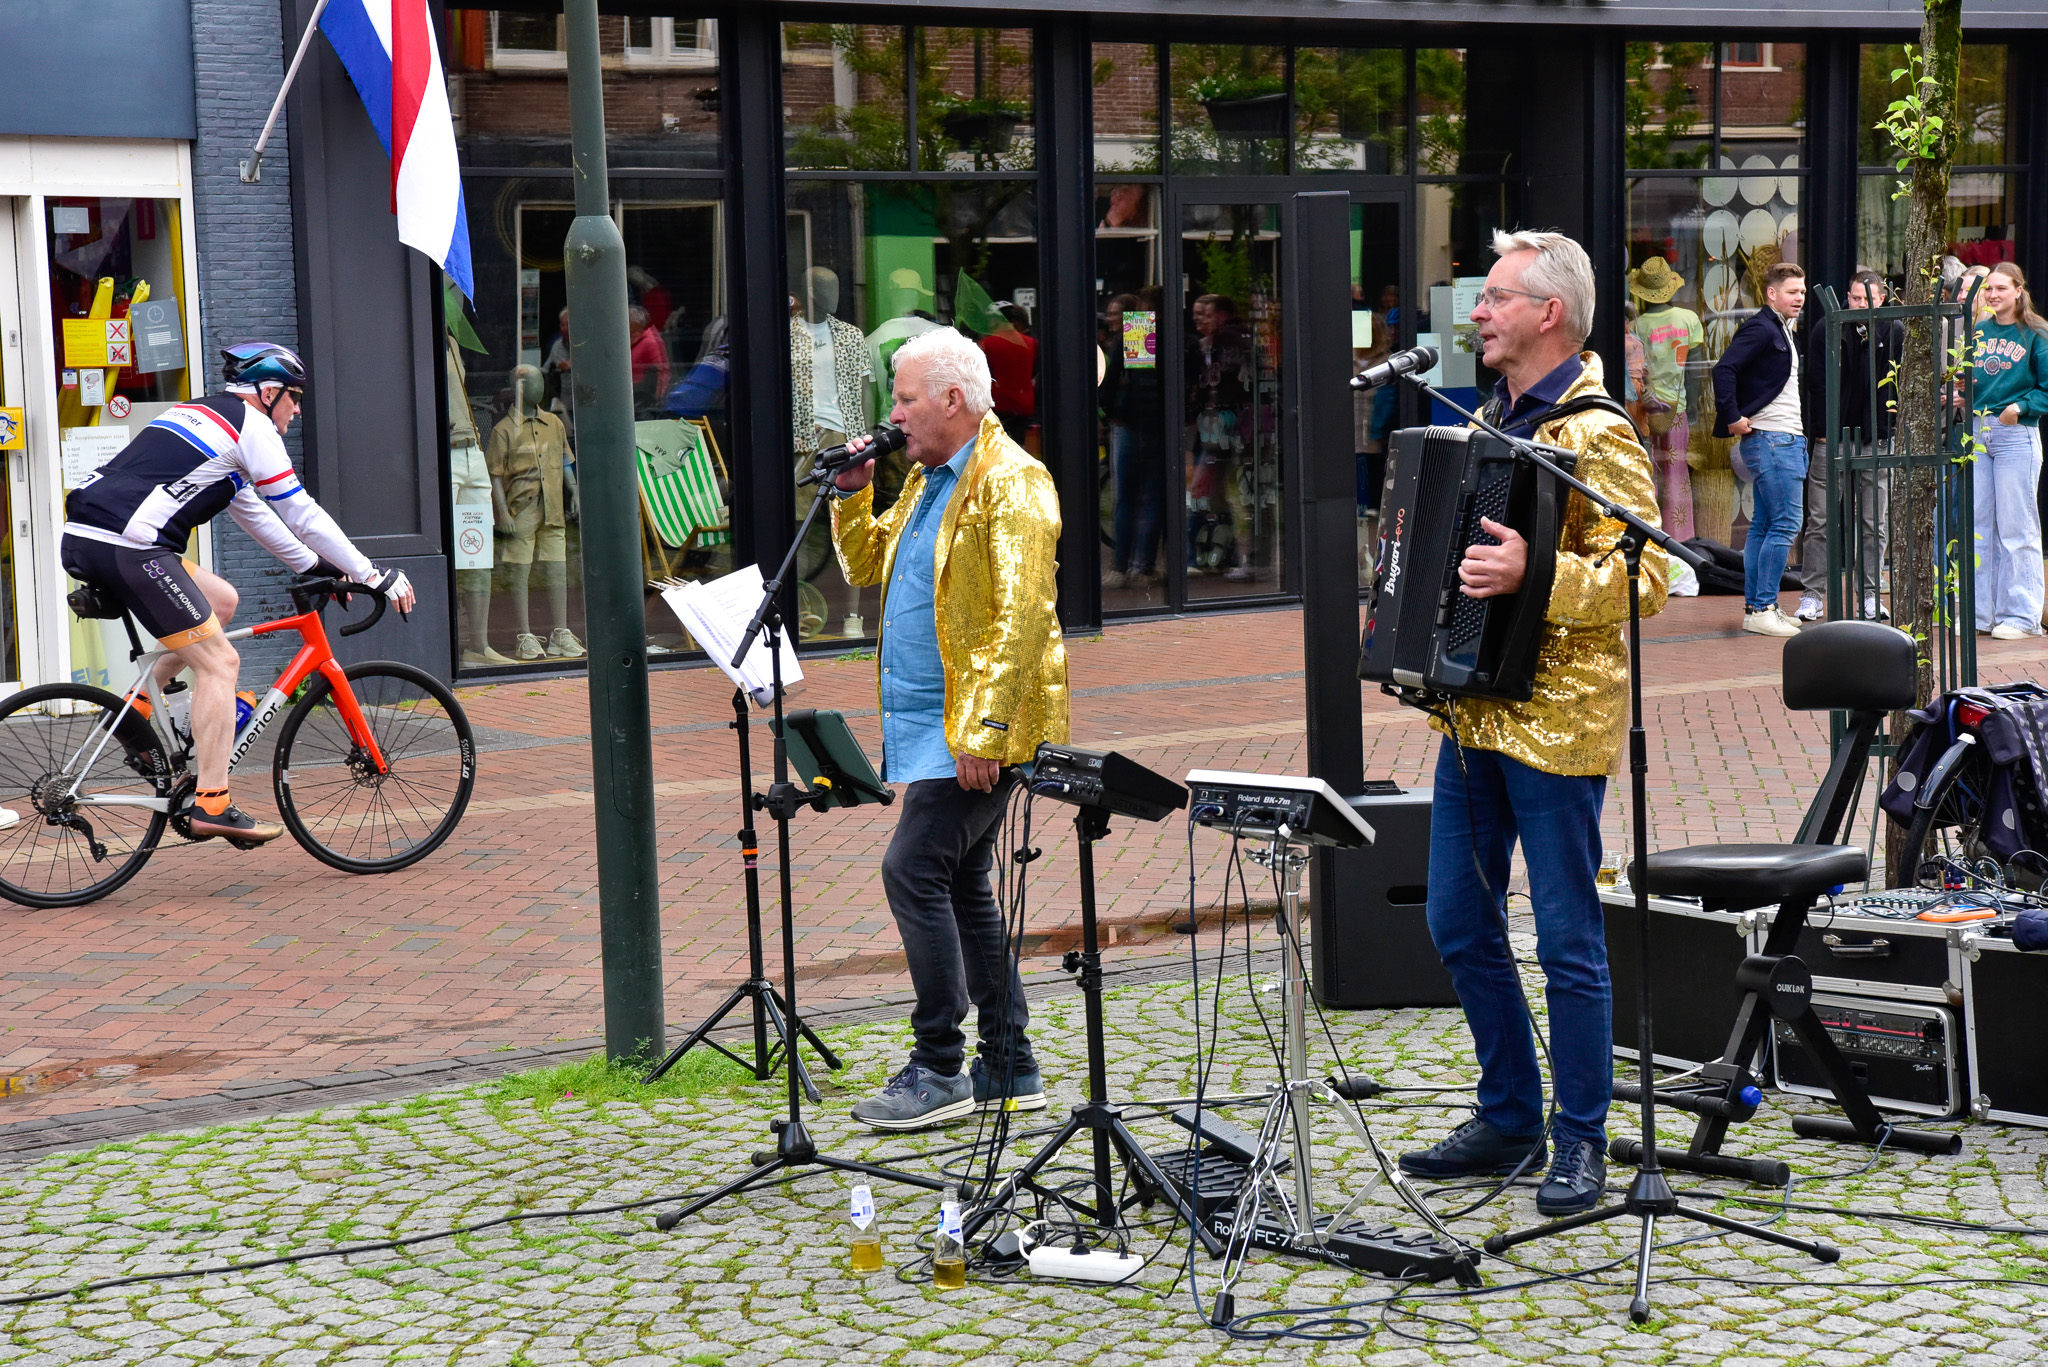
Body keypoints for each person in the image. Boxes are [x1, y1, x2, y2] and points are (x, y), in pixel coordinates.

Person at [1395, 230, 1666, 1219]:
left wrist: (1534, 573)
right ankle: (1509, 1112)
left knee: (1565, 937)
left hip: (1557, 724)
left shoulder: (1597, 431)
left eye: (1495, 297)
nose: (1476, 312)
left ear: (1548, 313)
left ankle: (1581, 1135)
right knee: (1456, 920)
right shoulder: (1494, 415)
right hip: (1473, 714)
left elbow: (1649, 576)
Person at [828, 328, 1068, 1130]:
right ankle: (1010, 1062)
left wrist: (985, 731)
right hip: (933, 721)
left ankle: (938, 1065)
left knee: (912, 867)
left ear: (952, 400)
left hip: (977, 727)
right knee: (961, 881)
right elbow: (868, 565)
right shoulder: (928, 480)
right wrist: (852, 493)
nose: (893, 413)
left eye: (904, 398)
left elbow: (1023, 618)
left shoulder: (1013, 480)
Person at [59, 342, 416, 844]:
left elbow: (257, 516)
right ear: (268, 393)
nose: (297, 409)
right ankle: (213, 802)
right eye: (294, 397)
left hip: (91, 538)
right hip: (131, 547)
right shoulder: (253, 428)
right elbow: (301, 512)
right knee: (220, 665)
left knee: (222, 600)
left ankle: (135, 709)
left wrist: (318, 566)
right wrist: (372, 573)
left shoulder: (202, 414)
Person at [1795, 271, 1901, 623]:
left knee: (1873, 522)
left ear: (1882, 298)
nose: (1860, 305)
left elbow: (1896, 385)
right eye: (1855, 298)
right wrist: (1823, 430)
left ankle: (1869, 594)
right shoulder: (1828, 326)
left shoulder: (1893, 329)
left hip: (1876, 437)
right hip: (1834, 437)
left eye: (1867, 299)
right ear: (1848, 295)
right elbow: (1816, 383)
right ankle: (1812, 594)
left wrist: (1886, 428)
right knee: (1821, 520)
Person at [1712, 262, 1809, 637]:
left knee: (1765, 525)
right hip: (1773, 440)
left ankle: (1759, 607)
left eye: (1802, 292)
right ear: (1772, 293)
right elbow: (1724, 369)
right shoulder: (1762, 327)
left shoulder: (1781, 328)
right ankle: (1763, 608)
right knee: (1785, 524)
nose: (1799, 298)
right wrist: (1732, 417)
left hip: (1779, 440)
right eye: (1792, 292)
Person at [1969, 261, 2048, 639]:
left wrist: (2021, 407)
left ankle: (2021, 616)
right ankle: (1981, 613)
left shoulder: (2036, 333)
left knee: (2017, 528)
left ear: (2019, 290)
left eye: (2001, 288)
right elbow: (1975, 380)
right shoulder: (1979, 332)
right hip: (1978, 431)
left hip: (2017, 434)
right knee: (1979, 527)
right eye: (1989, 288)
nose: (1993, 294)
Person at [1626, 257, 1700, 545]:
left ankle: (1652, 535)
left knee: (1649, 471)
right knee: (1677, 475)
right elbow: (1694, 370)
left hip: (1645, 409)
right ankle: (1680, 539)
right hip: (1677, 409)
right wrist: (1693, 409)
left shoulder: (1639, 325)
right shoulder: (1688, 320)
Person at [1102, 292, 1164, 591]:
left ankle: (1122, 565)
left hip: (1133, 425)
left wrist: (1115, 414)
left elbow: (1113, 382)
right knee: (1151, 498)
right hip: (1156, 426)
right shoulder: (1176, 336)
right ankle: (1142, 566)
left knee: (1126, 498)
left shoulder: (1140, 331)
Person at [979, 303, 1039, 446]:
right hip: (1024, 405)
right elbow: (1034, 372)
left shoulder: (986, 344)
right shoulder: (1032, 343)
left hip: (998, 405)